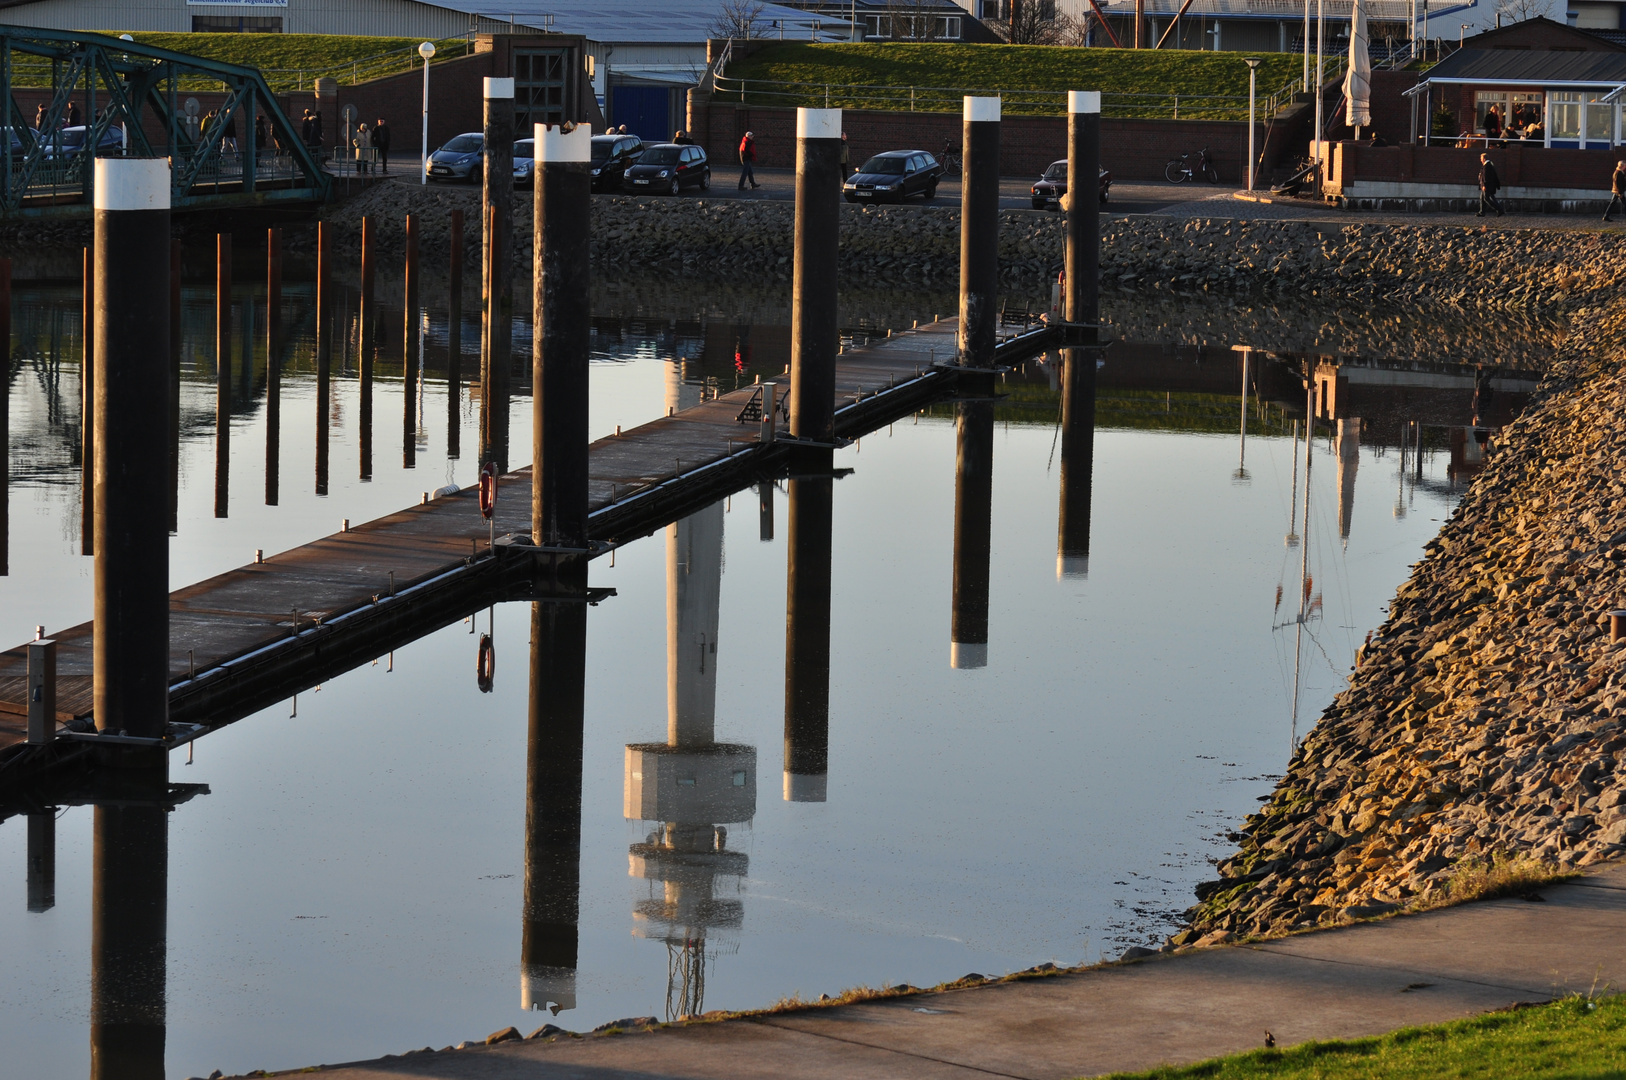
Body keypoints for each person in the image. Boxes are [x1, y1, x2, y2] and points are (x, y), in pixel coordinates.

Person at [1477, 152, 1503, 217]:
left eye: (1481, 158)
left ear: (1484, 159)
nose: (1480, 160)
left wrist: (1484, 185)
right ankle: (1482, 212)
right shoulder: (1488, 165)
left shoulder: (1487, 166)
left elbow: (1486, 176)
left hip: (1487, 186)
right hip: (1488, 185)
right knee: (1482, 198)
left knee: (1486, 199)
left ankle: (1499, 210)